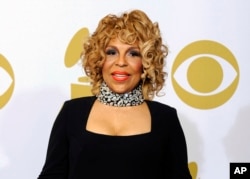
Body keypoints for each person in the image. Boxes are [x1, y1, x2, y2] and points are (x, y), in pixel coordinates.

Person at [38, 9, 192, 179]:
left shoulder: (166, 118)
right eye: (112, 52)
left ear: (146, 62)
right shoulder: (71, 113)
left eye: (133, 53)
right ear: (98, 58)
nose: (121, 62)